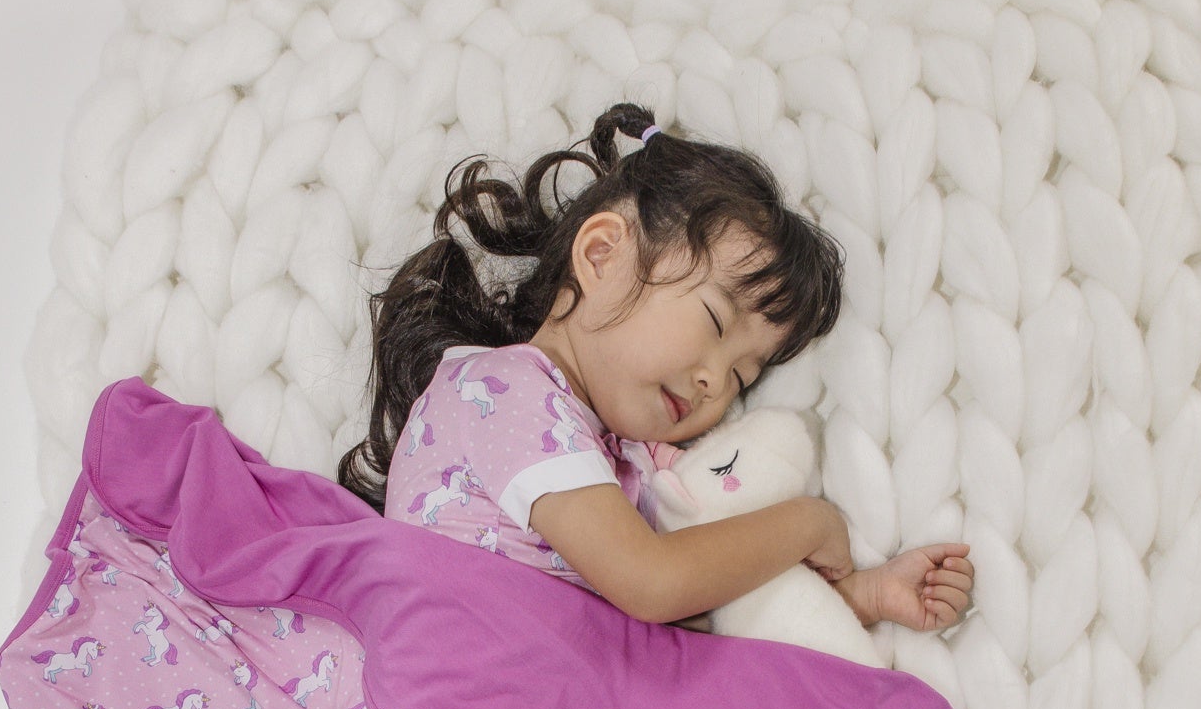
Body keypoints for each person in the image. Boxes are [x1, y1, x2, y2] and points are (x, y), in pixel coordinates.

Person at [336, 102, 973, 635]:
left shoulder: (625, 463)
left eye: (743, 378)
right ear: (602, 255)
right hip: (451, 700)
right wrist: (810, 523)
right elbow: (655, 585)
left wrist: (859, 599)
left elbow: (697, 623)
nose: (715, 383)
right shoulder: (499, 392)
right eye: (715, 322)